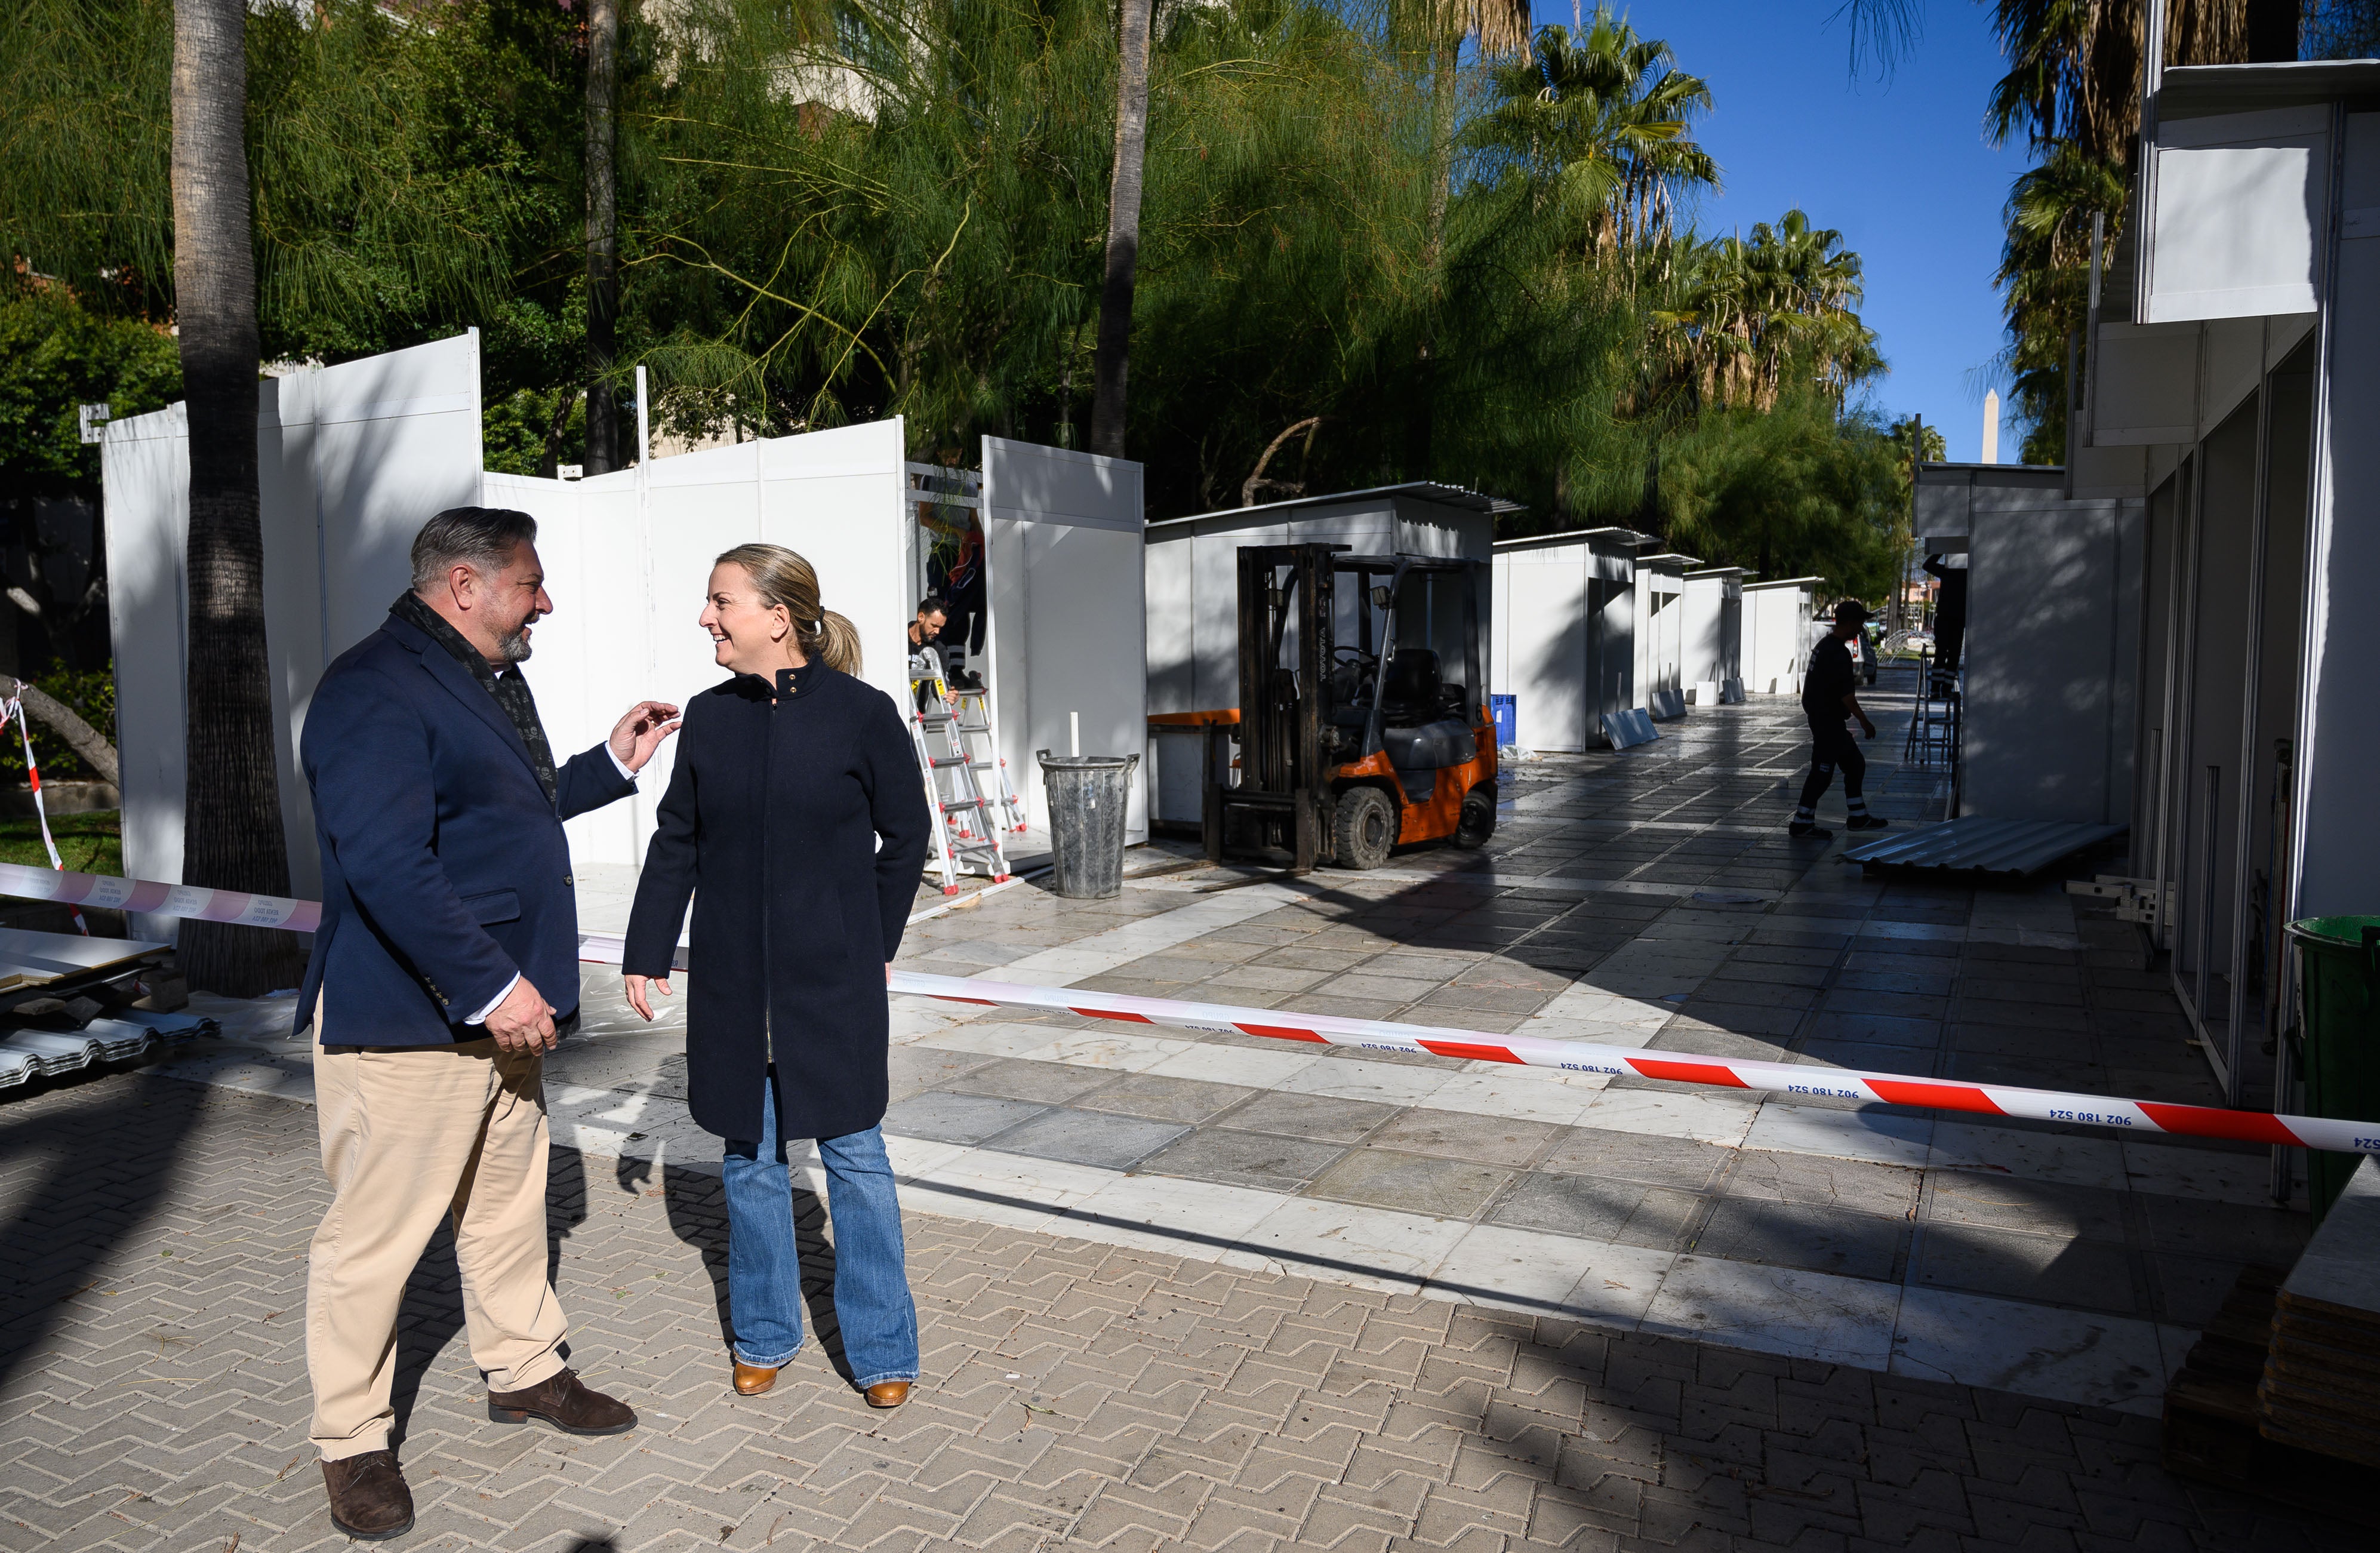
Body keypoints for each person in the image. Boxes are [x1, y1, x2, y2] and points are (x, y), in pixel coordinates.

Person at [297, 508, 682, 1541]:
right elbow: (386, 861)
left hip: (503, 1016)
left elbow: (501, 812)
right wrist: (490, 986)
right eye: (529, 584)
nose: (543, 602)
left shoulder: (481, 676)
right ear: (464, 586)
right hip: (415, 1017)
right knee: (374, 1241)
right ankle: (351, 1441)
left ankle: (522, 1371)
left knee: (507, 1209)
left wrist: (608, 764)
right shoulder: (371, 688)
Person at [620, 544, 931, 1407]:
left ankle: (882, 1347)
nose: (706, 617)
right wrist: (647, 948)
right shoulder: (710, 717)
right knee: (750, 1159)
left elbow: (907, 836)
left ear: (778, 617)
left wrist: (871, 937)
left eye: (721, 602)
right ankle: (764, 1333)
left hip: (831, 982)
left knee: (855, 1157)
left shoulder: (863, 714)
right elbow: (678, 839)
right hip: (731, 982)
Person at [1791, 599, 1889, 839]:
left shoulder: (1825, 646)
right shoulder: (1837, 653)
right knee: (1822, 772)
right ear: (1851, 623)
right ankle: (1802, 822)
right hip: (1828, 722)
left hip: (1825, 719)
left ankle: (1857, 817)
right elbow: (1847, 697)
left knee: (1854, 765)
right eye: (1860, 623)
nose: (1861, 628)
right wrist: (1865, 722)